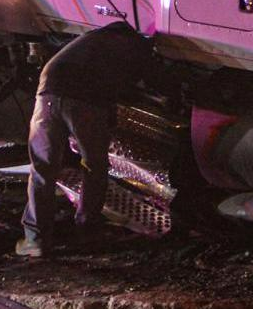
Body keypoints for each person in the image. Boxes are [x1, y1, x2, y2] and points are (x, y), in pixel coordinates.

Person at [16, 21, 158, 257]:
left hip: (47, 96)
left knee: (42, 168)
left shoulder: (89, 38)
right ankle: (88, 229)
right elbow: (146, 84)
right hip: (85, 103)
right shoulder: (135, 47)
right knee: (94, 166)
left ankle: (36, 240)